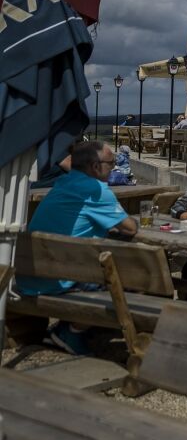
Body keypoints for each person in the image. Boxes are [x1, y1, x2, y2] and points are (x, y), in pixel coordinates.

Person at [18, 142, 139, 355]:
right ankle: (73, 331)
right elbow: (130, 228)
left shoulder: (63, 182)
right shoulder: (96, 190)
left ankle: (76, 326)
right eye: (111, 163)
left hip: (31, 276)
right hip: (59, 282)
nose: (114, 167)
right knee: (133, 277)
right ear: (95, 166)